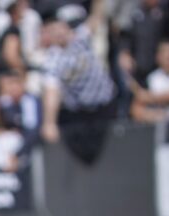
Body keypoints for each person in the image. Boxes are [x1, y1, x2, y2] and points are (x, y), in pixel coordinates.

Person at [40, 0, 117, 164]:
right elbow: (51, 91)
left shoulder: (80, 38)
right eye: (53, 30)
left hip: (107, 104)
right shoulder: (53, 60)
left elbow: (96, 18)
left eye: (60, 27)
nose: (59, 33)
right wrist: (49, 123)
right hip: (82, 114)